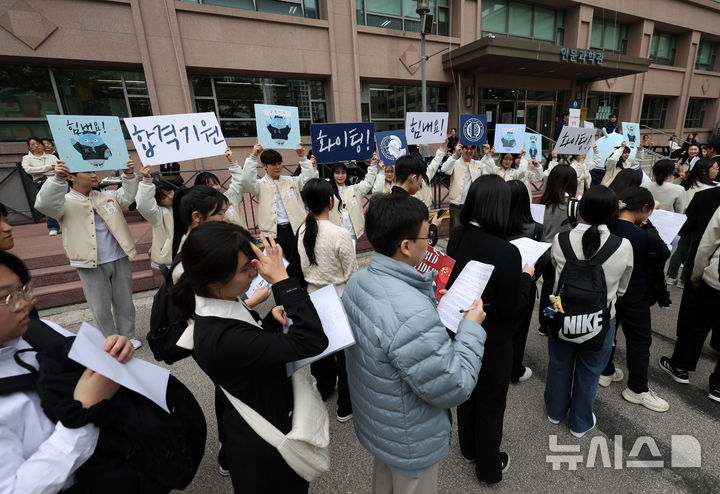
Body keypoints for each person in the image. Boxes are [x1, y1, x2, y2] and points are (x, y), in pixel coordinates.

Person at [342, 193, 487, 493]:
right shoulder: (410, 311)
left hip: (382, 422)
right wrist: (471, 328)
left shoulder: (359, 281)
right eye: (426, 236)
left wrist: (429, 303)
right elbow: (453, 385)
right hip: (411, 436)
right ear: (406, 246)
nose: (430, 243)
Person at [174, 222, 328, 493]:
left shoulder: (219, 303)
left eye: (253, 260)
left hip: (258, 423)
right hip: (265, 452)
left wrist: (268, 323)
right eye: (246, 268)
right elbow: (312, 340)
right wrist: (282, 281)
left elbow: (248, 347)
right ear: (214, 281)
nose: (256, 270)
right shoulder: (221, 337)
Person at [0, 250, 133, 493]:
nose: (28, 303)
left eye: (23, 290)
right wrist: (82, 415)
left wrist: (113, 350)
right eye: (8, 298)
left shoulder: (40, 331)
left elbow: (95, 362)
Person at [446, 176, 533, 484]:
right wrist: (526, 277)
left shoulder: (457, 234)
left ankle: (468, 448)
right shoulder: (508, 252)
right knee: (492, 403)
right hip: (494, 340)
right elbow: (514, 306)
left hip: (462, 329)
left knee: (467, 392)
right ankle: (488, 467)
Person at [545, 185, 633, 437]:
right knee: (590, 370)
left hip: (560, 313)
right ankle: (580, 422)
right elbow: (622, 288)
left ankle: (554, 411)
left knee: (559, 363)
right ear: (612, 213)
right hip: (601, 319)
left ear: (580, 209)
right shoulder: (623, 245)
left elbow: (555, 274)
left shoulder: (561, 240)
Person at [34, 160, 142, 348]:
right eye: (87, 172)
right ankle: (110, 339)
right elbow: (44, 203)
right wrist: (56, 179)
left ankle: (128, 336)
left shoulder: (106, 195)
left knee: (124, 301)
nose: (94, 175)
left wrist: (129, 175)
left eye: (94, 171)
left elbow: (127, 197)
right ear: (71, 177)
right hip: (89, 261)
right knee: (100, 307)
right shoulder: (64, 202)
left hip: (118, 256)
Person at [599, 187, 670, 412]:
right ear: (644, 209)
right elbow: (664, 254)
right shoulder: (644, 236)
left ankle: (605, 370)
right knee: (639, 341)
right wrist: (649, 227)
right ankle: (637, 389)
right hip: (634, 294)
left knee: (609, 332)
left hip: (607, 291)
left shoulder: (606, 227)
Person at [298, 178, 357, 421]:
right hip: (338, 296)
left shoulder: (302, 229)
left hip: (314, 296)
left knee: (321, 350)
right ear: (331, 201)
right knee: (344, 355)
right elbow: (351, 272)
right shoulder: (339, 233)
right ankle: (345, 406)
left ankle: (323, 390)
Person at [662, 205, 720, 403]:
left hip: (716, 278)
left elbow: (708, 243)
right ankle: (718, 386)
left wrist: (697, 271)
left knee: (698, 323)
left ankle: (680, 366)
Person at [242, 141, 318, 282]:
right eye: (273, 164)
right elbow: (246, 179)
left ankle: (301, 291)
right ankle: (284, 295)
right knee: (279, 267)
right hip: (273, 233)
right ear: (264, 166)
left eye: (280, 163)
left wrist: (303, 158)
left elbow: (309, 179)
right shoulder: (259, 185)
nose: (278, 167)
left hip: (295, 229)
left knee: (299, 262)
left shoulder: (290, 181)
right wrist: (253, 156)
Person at [506, 179, 545, 383]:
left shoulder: (496, 225)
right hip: (525, 284)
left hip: (501, 283)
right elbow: (544, 260)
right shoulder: (536, 228)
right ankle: (515, 369)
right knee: (520, 330)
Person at [538, 165, 580, 336]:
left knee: (548, 287)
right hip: (565, 254)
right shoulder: (574, 205)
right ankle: (555, 319)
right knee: (561, 290)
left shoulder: (544, 202)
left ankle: (544, 322)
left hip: (545, 252)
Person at [666, 159, 720, 286]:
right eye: (715, 168)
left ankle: (671, 276)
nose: (717, 171)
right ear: (705, 171)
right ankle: (683, 279)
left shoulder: (689, 184)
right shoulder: (711, 188)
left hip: (687, 223)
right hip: (701, 226)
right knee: (693, 253)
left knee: (680, 251)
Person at [392, 154, 444, 246]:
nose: (421, 182)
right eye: (421, 178)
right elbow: (426, 243)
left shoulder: (383, 202)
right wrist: (433, 226)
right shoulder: (413, 208)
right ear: (414, 178)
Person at [193, 147, 249, 228]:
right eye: (210, 186)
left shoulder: (229, 198)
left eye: (216, 183)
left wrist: (231, 161)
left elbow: (239, 182)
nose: (215, 187)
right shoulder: (199, 209)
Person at [329, 155, 378, 243]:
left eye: (343, 172)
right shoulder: (327, 190)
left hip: (351, 233)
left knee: (352, 256)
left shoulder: (354, 189)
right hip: (334, 234)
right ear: (333, 174)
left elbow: (368, 183)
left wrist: (373, 165)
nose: (340, 176)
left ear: (346, 174)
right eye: (337, 173)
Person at [440, 143, 491, 228]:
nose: (469, 151)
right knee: (456, 230)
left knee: (472, 230)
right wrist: (455, 154)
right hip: (457, 204)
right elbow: (445, 169)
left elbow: (489, 173)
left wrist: (487, 155)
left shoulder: (478, 164)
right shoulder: (455, 163)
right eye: (466, 148)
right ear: (462, 149)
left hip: (473, 204)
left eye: (471, 149)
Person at [136, 166, 176, 274]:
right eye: (164, 196)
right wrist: (147, 181)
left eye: (170, 191)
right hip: (170, 260)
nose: (170, 196)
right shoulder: (158, 214)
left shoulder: (185, 204)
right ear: (158, 201)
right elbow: (144, 205)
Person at [21, 136, 60, 235]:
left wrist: (38, 169)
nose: (36, 146)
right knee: (46, 205)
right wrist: (50, 167)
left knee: (67, 201)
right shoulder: (26, 158)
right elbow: (29, 170)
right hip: (41, 183)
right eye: (33, 144)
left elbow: (58, 168)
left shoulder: (52, 157)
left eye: (38, 144)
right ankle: (53, 227)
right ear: (29, 147)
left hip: (57, 181)